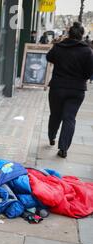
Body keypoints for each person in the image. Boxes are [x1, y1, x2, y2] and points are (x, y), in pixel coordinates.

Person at [46, 22, 93, 158]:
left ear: (69, 33)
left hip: (57, 87)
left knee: (55, 114)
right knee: (69, 118)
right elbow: (90, 72)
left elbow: (49, 57)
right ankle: (63, 148)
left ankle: (51, 137)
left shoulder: (59, 46)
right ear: (82, 35)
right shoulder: (87, 50)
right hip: (77, 90)